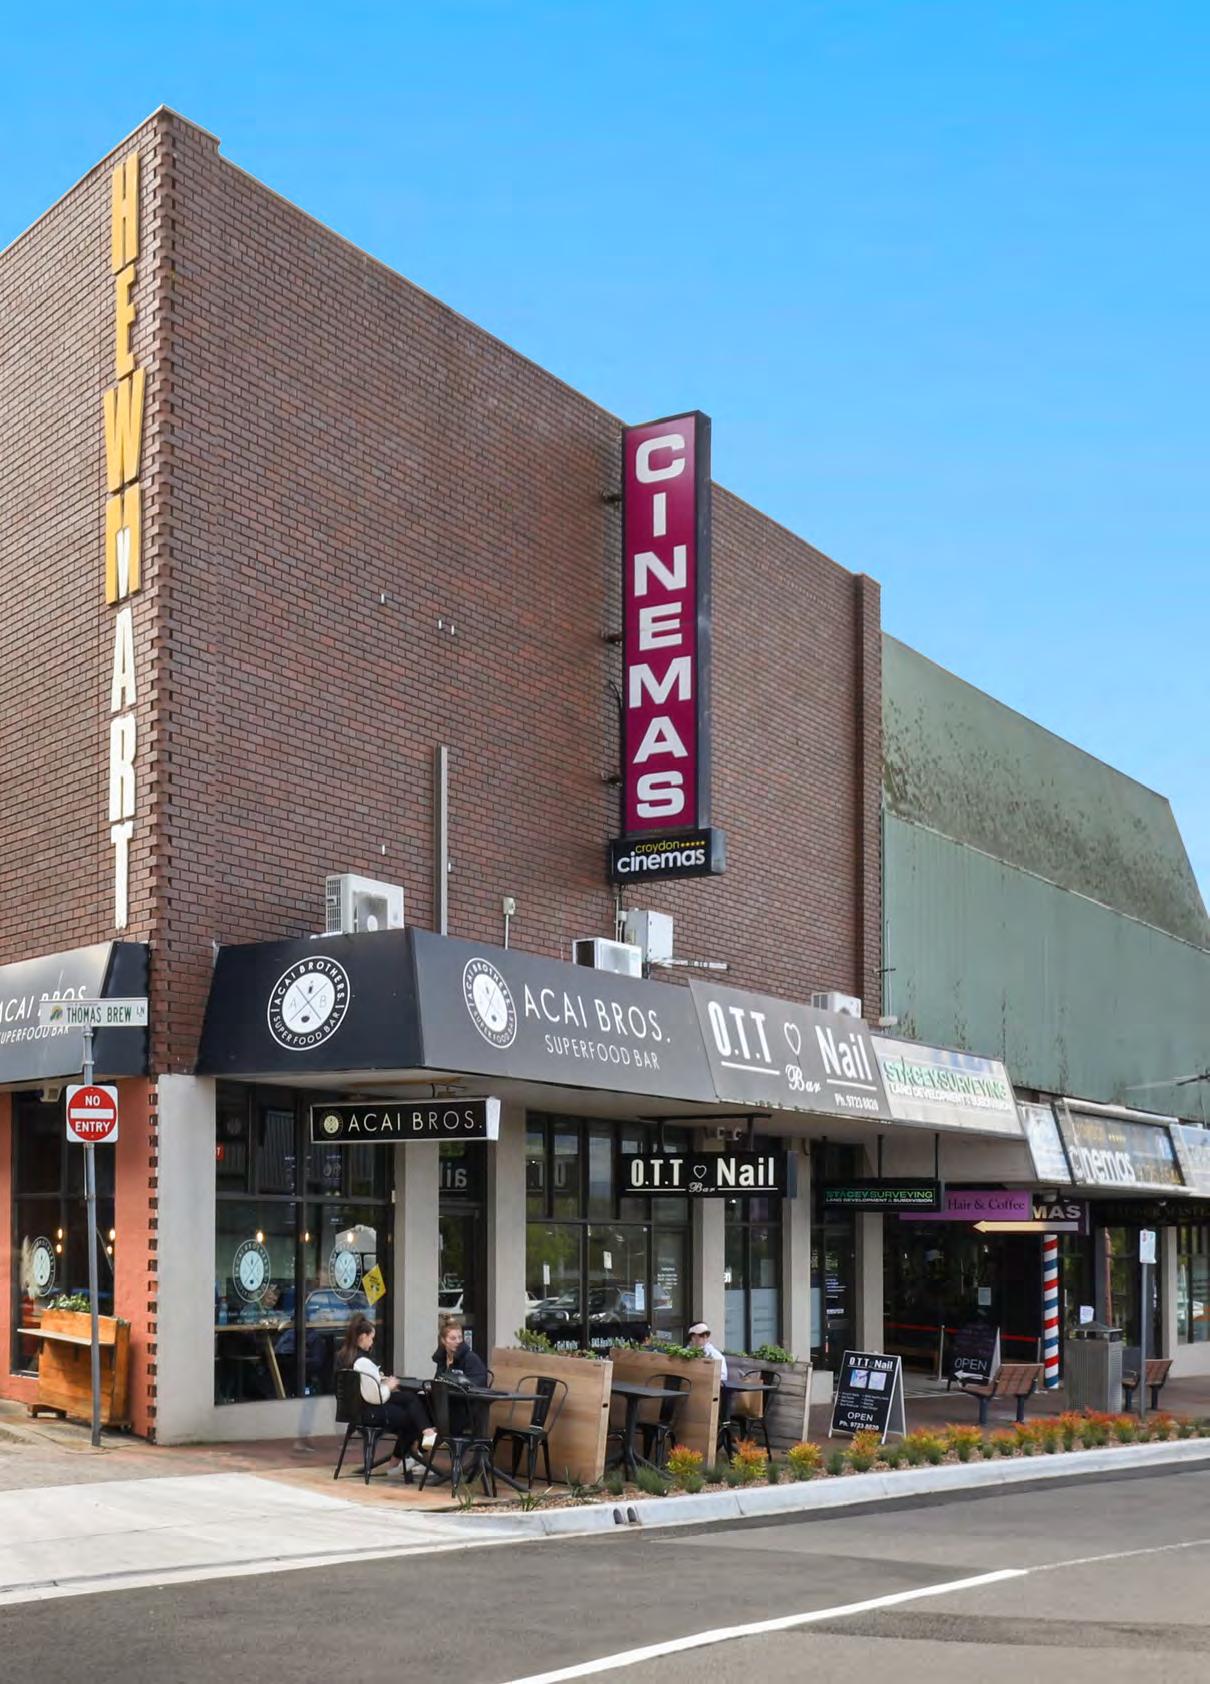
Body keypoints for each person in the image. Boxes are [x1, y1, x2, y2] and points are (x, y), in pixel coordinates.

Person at [335, 1313, 425, 1479]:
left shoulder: (342, 1357)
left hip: (353, 1411)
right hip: (370, 1413)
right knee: (412, 1417)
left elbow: (361, 1387)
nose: (372, 1342)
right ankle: (403, 1458)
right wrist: (388, 1386)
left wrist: (378, 1380)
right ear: (363, 1337)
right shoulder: (363, 1362)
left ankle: (403, 1457)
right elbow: (376, 1397)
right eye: (371, 1338)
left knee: (409, 1400)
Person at [432, 1315, 488, 1436]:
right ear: (443, 1341)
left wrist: (458, 1383)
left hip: (467, 1406)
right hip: (448, 1403)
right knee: (418, 1404)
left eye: (460, 1337)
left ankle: (433, 1436)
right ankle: (426, 1437)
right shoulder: (442, 1358)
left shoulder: (470, 1358)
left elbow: (479, 1382)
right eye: (453, 1338)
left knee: (433, 1415)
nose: (457, 1341)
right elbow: (438, 1381)